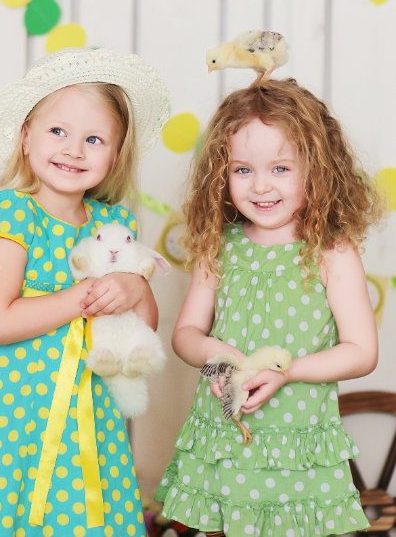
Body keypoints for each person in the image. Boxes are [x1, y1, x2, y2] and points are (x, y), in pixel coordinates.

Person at [0, 47, 170, 537]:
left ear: (115, 155)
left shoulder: (111, 222)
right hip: (10, 409)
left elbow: (142, 330)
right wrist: (88, 294)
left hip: (88, 410)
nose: (74, 150)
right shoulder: (10, 213)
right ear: (25, 137)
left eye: (94, 139)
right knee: (4, 514)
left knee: (78, 516)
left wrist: (135, 286)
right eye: (58, 131)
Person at [155, 77, 384, 537]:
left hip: (296, 444)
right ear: (221, 174)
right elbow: (185, 334)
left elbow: (362, 352)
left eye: (280, 168)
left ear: (317, 169)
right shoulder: (219, 246)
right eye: (242, 170)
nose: (260, 185)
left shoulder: (331, 253)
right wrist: (214, 354)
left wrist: (288, 371)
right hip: (225, 437)